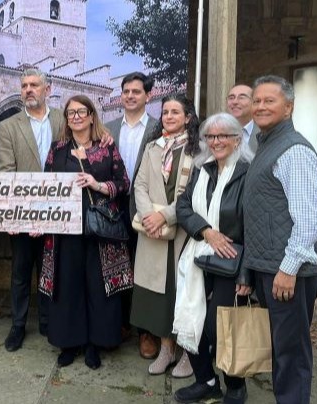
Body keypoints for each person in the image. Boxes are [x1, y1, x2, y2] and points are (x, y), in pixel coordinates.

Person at [244, 75, 317, 404]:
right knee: (281, 348)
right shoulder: (267, 144)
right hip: (271, 267)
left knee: (291, 355)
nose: (260, 106)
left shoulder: (295, 151)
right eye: (257, 101)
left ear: (288, 107)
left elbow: (308, 221)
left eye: (269, 101)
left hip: (287, 272)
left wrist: (289, 268)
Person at [38, 95, 131, 369]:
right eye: (70, 113)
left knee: (97, 287)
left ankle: (94, 344)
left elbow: (123, 183)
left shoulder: (106, 148)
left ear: (92, 116)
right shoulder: (57, 149)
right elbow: (45, 186)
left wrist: (97, 184)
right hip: (65, 231)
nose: (76, 117)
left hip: (100, 231)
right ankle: (69, 342)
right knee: (67, 287)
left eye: (81, 112)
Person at [172, 113, 254, 404]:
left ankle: (235, 386)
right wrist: (207, 232)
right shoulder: (201, 169)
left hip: (231, 263)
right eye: (211, 136)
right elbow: (183, 207)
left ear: (237, 138)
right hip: (197, 255)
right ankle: (206, 381)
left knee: (221, 329)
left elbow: (255, 228)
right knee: (190, 320)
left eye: (223, 136)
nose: (216, 141)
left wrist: (247, 275)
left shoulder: (248, 172)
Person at [131, 94, 201, 378]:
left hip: (183, 234)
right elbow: (140, 184)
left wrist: (166, 216)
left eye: (175, 112)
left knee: (183, 294)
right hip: (152, 234)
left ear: (188, 117)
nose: (169, 116)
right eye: (165, 112)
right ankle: (166, 350)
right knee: (158, 298)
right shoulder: (152, 148)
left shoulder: (197, 151)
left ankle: (186, 355)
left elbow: (194, 192)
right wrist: (150, 216)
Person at [0, 68, 62, 351]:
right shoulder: (8, 126)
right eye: (24, 85)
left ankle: (49, 322)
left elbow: (90, 138)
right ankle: (18, 325)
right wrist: (12, 213)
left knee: (52, 269)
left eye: (34, 85)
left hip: (59, 210)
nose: (28, 90)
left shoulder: (64, 119)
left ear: (47, 89)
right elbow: (6, 171)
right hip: (22, 212)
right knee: (21, 271)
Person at [104, 71, 160, 358]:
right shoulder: (107, 128)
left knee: (144, 271)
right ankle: (120, 324)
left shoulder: (158, 128)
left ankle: (146, 331)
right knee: (116, 268)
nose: (129, 96)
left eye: (136, 91)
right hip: (112, 210)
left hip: (145, 210)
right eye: (125, 91)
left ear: (147, 95)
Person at [227, 84, 260, 152]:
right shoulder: (218, 131)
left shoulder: (264, 132)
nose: (235, 102)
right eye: (231, 98)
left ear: (254, 102)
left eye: (241, 97)